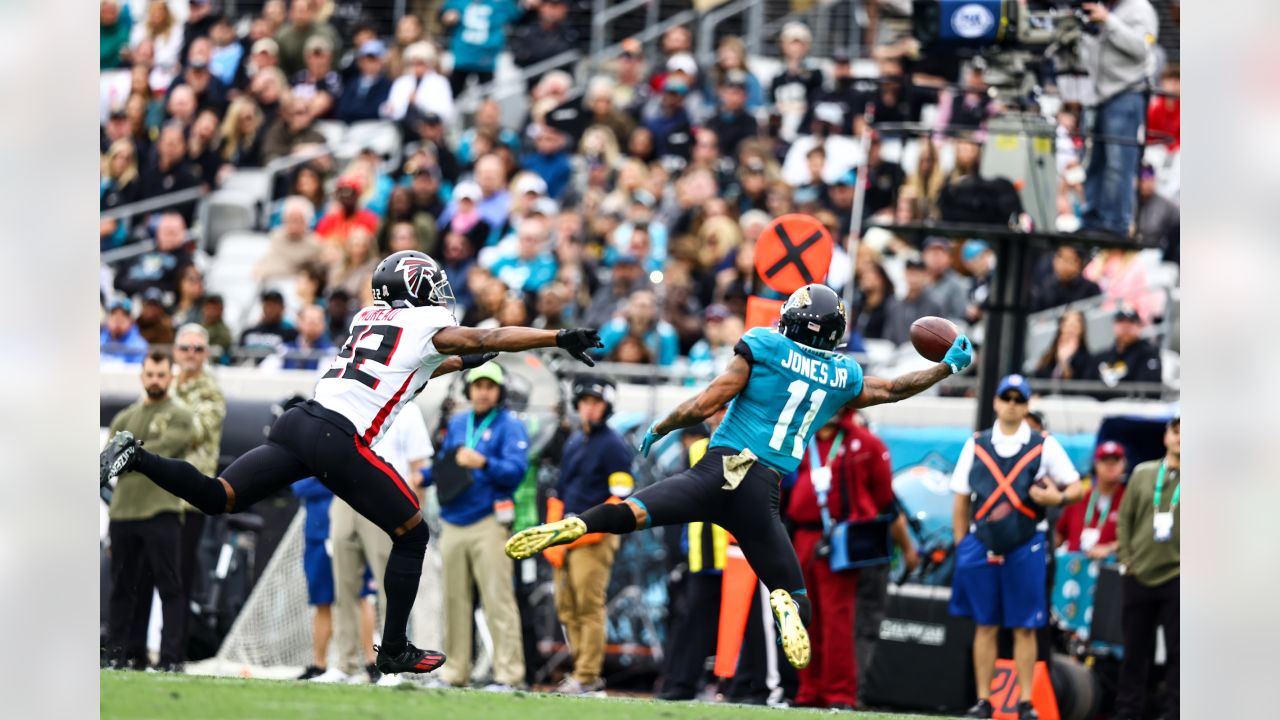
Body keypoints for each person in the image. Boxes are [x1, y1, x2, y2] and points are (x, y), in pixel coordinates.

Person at [100, 250, 603, 676]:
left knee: (218, 496)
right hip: (338, 436)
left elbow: (440, 359)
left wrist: (472, 357)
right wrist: (556, 337)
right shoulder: (428, 323)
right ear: (420, 288)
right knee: (412, 533)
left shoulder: (369, 319)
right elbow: (480, 341)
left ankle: (136, 454)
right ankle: (395, 648)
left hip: (300, 422)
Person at [507, 283, 974, 673]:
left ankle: (577, 524)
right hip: (760, 491)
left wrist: (662, 425)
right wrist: (945, 366)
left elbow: (708, 401)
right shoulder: (841, 374)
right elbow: (893, 389)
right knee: (796, 598)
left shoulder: (766, 346)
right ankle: (783, 604)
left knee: (633, 511)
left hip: (714, 473)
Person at [948, 374, 1084, 720]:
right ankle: (983, 700)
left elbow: (1078, 487)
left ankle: (1025, 701)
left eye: (1018, 399)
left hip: (1026, 543)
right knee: (985, 623)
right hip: (982, 542)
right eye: (1006, 398)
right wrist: (962, 545)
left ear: (1026, 405)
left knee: (1025, 626)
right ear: (995, 402)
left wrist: (1058, 497)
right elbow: (961, 499)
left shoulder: (1043, 443)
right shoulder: (977, 443)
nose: (1011, 404)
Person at [422, 362, 529, 691]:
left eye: (490, 386)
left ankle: (508, 675)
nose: (483, 391)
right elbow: (447, 464)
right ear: (469, 390)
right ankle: (454, 671)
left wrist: (483, 462)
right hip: (453, 520)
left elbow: (517, 471)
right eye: (478, 385)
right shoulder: (457, 424)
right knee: (454, 601)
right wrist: (423, 476)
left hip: (489, 522)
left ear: (499, 391)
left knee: (498, 600)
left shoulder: (510, 425)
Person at [542, 376, 635, 695]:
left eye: (595, 403)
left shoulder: (614, 445)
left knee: (588, 605)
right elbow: (560, 490)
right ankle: (582, 672)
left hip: (595, 536)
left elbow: (620, 496)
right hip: (567, 534)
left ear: (606, 407)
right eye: (584, 403)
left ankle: (588, 674)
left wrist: (587, 529)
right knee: (567, 606)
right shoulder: (574, 442)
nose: (588, 409)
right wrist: (553, 534)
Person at [103, 350, 195, 671]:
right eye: (150, 374)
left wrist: (128, 454)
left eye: (161, 374)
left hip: (162, 510)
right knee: (122, 590)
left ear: (171, 376)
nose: (155, 380)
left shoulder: (181, 415)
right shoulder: (124, 418)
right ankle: (121, 653)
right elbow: (105, 465)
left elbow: (167, 450)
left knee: (170, 586)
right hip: (124, 513)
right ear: (142, 376)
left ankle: (171, 658)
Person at [331, 403, 434, 685]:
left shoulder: (408, 409)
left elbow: (419, 466)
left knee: (393, 587)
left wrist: (414, 515)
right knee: (344, 585)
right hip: (344, 495)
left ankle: (394, 665)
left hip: (386, 501)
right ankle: (344, 665)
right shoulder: (349, 400)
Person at [1114, 416, 1180, 720]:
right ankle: (1129, 712)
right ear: (1165, 436)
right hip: (1138, 572)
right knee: (1134, 653)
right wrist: (1126, 558)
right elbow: (1125, 518)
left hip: (1179, 576)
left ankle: (1177, 712)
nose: (1181, 437)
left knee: (1180, 656)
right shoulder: (1143, 474)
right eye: (1176, 431)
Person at [1078, 0, 1159, 236]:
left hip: (1126, 93)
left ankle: (1116, 224)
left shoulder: (1139, 9)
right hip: (1096, 94)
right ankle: (1092, 219)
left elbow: (1142, 48)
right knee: (1092, 161)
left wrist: (1109, 22)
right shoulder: (1103, 8)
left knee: (1118, 163)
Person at [1056, 442, 1127, 557]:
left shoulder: (1128, 499)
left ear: (1124, 464)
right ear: (1096, 464)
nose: (1110, 466)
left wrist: (1110, 548)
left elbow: (1138, 539)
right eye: (1105, 461)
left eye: (1115, 461)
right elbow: (1059, 535)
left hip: (1111, 568)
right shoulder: (1079, 496)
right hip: (1075, 569)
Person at [442, 0, 522, 97]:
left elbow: (516, 16)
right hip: (463, 56)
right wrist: (447, 17)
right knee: (452, 94)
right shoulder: (459, 2)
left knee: (486, 98)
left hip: (486, 58)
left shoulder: (500, 3)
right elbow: (444, 14)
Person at [1086, 306, 1162, 388]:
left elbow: (1148, 389)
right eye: (1121, 321)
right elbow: (1086, 385)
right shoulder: (1101, 357)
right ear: (1113, 326)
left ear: (1140, 327)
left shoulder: (1149, 354)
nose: (1125, 326)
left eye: (1131, 322)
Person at [1031, 245, 1102, 312]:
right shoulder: (1045, 288)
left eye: (1068, 260)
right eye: (1059, 257)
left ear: (1078, 263)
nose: (1062, 264)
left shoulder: (1090, 289)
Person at [1033, 310, 1094, 383]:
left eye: (1074, 326)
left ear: (1081, 330)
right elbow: (1039, 377)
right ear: (1061, 327)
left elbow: (1081, 385)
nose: (1070, 330)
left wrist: (1064, 363)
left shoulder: (1086, 360)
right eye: (1067, 324)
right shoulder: (1049, 357)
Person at [101, 298, 149, 364]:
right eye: (114, 314)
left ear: (131, 320)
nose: (118, 319)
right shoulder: (100, 340)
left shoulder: (140, 345)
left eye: (124, 315)